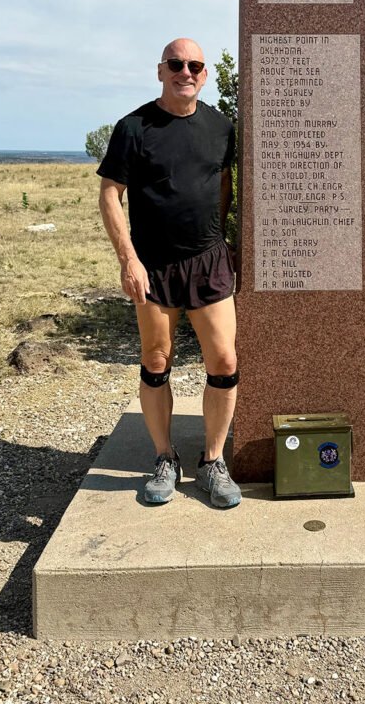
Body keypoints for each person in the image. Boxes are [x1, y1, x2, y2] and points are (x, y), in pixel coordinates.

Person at [97, 37, 241, 509]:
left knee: (223, 361)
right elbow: (110, 194)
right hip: (153, 265)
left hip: (208, 260)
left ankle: (213, 462)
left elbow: (223, 183)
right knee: (156, 361)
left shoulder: (221, 127)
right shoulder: (134, 127)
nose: (187, 71)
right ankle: (164, 458)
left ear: (205, 74)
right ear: (161, 71)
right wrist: (129, 260)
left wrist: (219, 238)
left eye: (195, 65)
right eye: (177, 64)